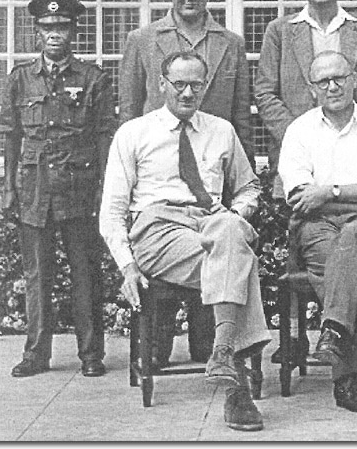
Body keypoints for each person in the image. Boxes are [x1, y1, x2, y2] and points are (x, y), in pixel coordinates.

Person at [99, 50, 271, 432]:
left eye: (196, 84)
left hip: (211, 223)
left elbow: (248, 187)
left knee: (230, 234)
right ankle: (236, 385)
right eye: (179, 84)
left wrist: (237, 213)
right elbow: (111, 211)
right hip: (157, 229)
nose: (188, 92)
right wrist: (127, 266)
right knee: (241, 262)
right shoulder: (134, 133)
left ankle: (224, 354)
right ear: (162, 84)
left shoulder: (221, 130)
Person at [119, 0, 254, 365]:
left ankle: (213, 347)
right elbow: (128, 110)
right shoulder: (142, 40)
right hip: (159, 173)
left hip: (211, 170)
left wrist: (237, 188)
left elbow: (241, 115)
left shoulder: (230, 43)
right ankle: (163, 347)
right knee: (156, 355)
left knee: (216, 244)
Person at [255, 0, 357, 364]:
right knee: (303, 249)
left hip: (353, 164)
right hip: (302, 166)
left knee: (340, 253)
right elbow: (265, 92)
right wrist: (301, 134)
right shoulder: (281, 30)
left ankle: (340, 341)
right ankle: (298, 340)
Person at [278, 51, 357, 413]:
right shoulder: (299, 130)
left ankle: (335, 337)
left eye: (340, 78)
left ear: (354, 79)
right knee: (343, 261)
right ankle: (345, 372)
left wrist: (329, 194)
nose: (333, 86)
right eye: (323, 81)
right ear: (311, 88)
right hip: (317, 228)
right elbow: (302, 199)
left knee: (349, 242)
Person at [0, 0, 115, 378]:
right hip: (34, 189)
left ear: (73, 31)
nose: (54, 35)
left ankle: (91, 355)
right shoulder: (19, 79)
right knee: (38, 275)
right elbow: (11, 136)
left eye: (62, 27)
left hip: (78, 189)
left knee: (85, 273)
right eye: (48, 28)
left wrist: (103, 187)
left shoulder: (93, 79)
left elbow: (103, 136)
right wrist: (9, 189)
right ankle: (36, 354)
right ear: (37, 32)